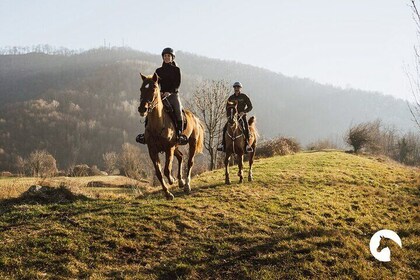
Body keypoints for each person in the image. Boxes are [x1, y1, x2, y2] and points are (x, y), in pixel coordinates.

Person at [136, 47, 188, 145]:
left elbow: (177, 84)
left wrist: (170, 92)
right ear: (163, 57)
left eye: (168, 56)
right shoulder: (158, 71)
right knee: (151, 109)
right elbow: (155, 84)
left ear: (172, 57)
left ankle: (180, 134)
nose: (166, 57)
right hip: (161, 95)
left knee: (178, 110)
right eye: (165, 56)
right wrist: (158, 92)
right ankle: (145, 134)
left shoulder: (176, 70)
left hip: (173, 95)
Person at [217, 81, 254, 153]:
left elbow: (250, 106)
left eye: (238, 87)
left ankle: (247, 145)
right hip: (232, 117)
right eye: (235, 87)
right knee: (224, 128)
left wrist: (244, 112)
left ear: (240, 88)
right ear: (234, 88)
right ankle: (223, 145)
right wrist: (229, 115)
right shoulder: (231, 98)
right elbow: (227, 108)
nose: (236, 88)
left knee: (246, 128)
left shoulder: (244, 97)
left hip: (242, 116)